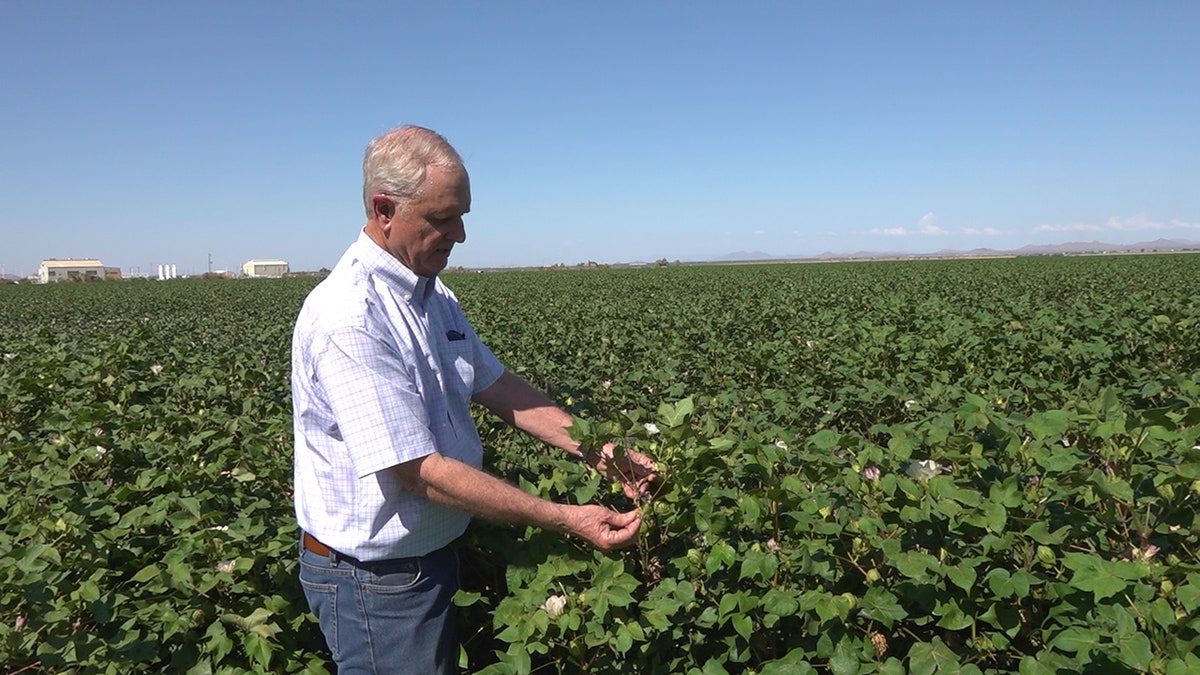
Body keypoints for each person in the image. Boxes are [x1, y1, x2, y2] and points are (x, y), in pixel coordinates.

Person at [291, 125, 657, 674]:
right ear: (384, 208)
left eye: (462, 215)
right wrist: (565, 518)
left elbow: (494, 384)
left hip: (425, 558)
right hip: (375, 583)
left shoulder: (430, 291)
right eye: (441, 218)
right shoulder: (351, 316)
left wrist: (601, 451)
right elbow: (421, 472)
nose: (459, 234)